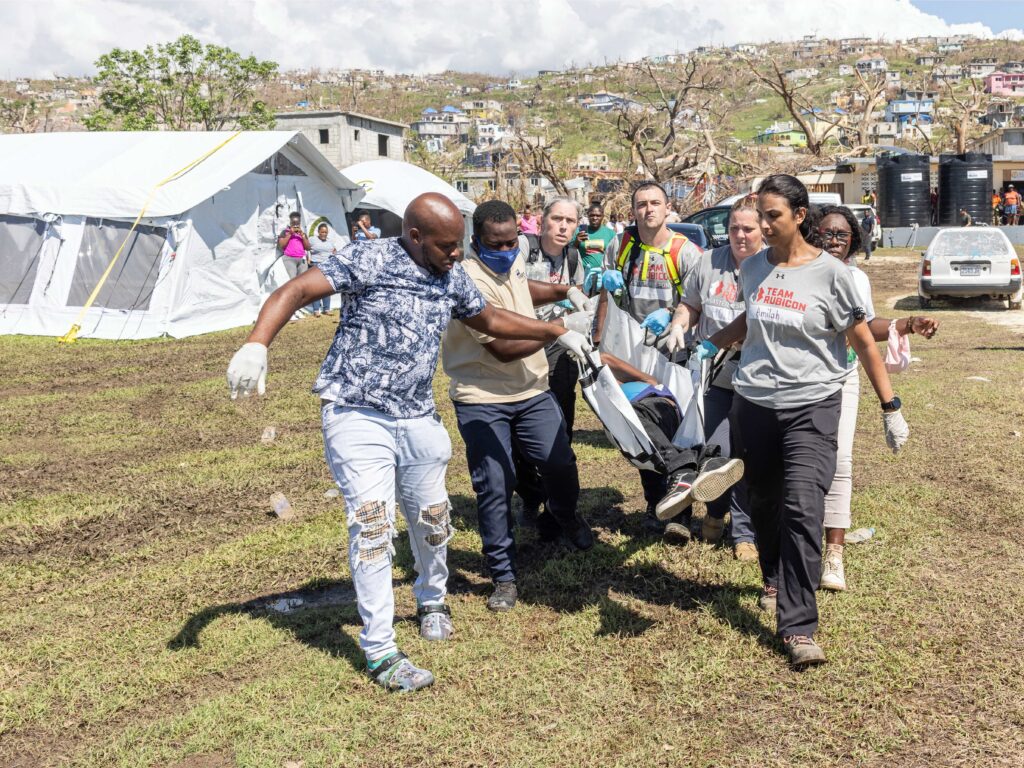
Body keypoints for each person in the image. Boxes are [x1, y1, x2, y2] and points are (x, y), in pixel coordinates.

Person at [225, 193, 593, 693]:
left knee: (433, 520)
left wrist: (556, 330)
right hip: (357, 412)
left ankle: (432, 597)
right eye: (447, 246)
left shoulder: (450, 275)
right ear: (415, 236)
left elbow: (489, 320)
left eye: (460, 244)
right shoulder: (368, 258)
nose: (456, 254)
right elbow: (297, 289)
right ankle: (380, 649)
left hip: (417, 415)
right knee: (373, 525)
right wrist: (257, 342)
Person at [702, 174, 909, 668]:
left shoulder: (833, 275)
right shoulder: (754, 267)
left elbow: (862, 341)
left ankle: (797, 626)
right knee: (764, 502)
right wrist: (707, 344)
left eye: (773, 216)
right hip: (753, 403)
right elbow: (751, 319)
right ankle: (773, 579)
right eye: (760, 215)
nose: (763, 225)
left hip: (812, 407)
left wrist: (891, 407)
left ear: (799, 216)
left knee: (803, 508)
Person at [443, 200, 595, 612]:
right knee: (495, 484)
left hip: (531, 389)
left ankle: (565, 514)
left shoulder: (513, 260)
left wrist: (564, 291)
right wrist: (557, 329)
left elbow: (522, 289)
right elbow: (503, 347)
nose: (507, 250)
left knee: (559, 461)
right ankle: (504, 575)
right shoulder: (464, 281)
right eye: (496, 244)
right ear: (476, 242)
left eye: (512, 241)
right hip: (482, 397)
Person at [594, 181, 736, 544]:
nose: (648, 210)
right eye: (641, 204)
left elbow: (697, 301)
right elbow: (606, 293)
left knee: (679, 427)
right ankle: (656, 503)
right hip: (631, 351)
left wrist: (672, 315)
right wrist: (603, 290)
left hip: (674, 351)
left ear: (668, 207)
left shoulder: (685, 251)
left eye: (655, 203)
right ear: (632, 210)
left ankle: (681, 512)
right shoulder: (620, 245)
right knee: (642, 429)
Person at [816, 205, 938, 592]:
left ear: (854, 240)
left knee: (840, 461)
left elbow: (866, 329)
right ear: (812, 233)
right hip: (798, 380)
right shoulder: (798, 270)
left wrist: (907, 324)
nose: (834, 241)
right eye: (826, 233)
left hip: (842, 378)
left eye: (842, 235)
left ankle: (834, 555)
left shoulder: (856, 278)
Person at [662, 196, 762, 561]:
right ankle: (717, 511)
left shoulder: (770, 266)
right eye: (734, 228)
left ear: (763, 230)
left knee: (745, 453)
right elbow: (691, 304)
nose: (740, 235)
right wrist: (679, 325)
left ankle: (743, 533)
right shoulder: (708, 262)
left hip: (756, 375)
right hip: (713, 374)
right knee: (717, 451)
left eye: (748, 228)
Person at [513, 198, 588, 527]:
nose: (563, 226)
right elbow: (510, 288)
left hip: (558, 347)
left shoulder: (573, 257)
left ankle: (557, 504)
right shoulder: (522, 248)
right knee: (517, 430)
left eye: (570, 221)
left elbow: (578, 300)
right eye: (557, 218)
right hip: (520, 345)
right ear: (542, 221)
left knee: (560, 424)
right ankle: (530, 494)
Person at [576, 201, 619, 276]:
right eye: (592, 215)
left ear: (602, 216)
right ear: (588, 216)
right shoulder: (579, 231)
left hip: (604, 275)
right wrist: (576, 242)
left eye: (598, 215)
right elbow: (570, 251)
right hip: (583, 274)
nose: (595, 218)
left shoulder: (611, 234)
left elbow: (615, 256)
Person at [306, 222, 339, 316]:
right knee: (316, 288)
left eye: (326, 232)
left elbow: (334, 251)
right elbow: (306, 248)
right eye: (322, 232)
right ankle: (316, 310)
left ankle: (326, 309)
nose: (324, 234)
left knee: (327, 288)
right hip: (315, 265)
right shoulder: (312, 239)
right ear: (318, 232)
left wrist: (334, 255)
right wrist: (308, 258)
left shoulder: (330, 242)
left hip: (327, 265)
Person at [277, 211, 310, 280]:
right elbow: (281, 245)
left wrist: (303, 236)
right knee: (292, 280)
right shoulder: (285, 232)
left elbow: (308, 248)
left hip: (301, 259)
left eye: (297, 223)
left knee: (302, 280)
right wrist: (290, 234)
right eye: (293, 223)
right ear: (290, 223)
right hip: (289, 258)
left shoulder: (302, 234)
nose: (295, 226)